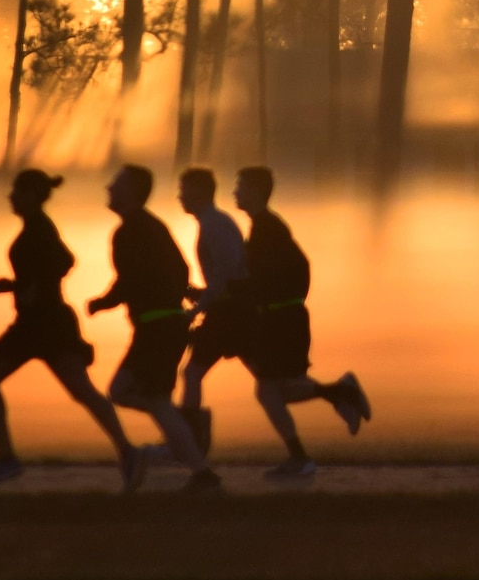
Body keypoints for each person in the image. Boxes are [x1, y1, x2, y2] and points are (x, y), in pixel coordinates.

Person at [0, 169, 140, 488]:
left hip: (43, 324)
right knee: (81, 392)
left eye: (17, 192)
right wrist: (17, 284)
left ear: (31, 197)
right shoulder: (38, 228)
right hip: (43, 323)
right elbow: (60, 263)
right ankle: (127, 451)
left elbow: (60, 263)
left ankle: (8, 460)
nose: (11, 197)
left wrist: (30, 286)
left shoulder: (38, 230)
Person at [87, 165, 221, 495]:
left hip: (158, 328)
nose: (108, 189)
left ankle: (202, 473)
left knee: (154, 400)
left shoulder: (130, 231)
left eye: (115, 185)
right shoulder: (153, 227)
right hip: (159, 327)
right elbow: (180, 267)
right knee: (121, 391)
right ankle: (188, 432)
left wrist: (104, 302)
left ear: (131, 192)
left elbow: (130, 278)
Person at [232, 167, 371, 478]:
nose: (235, 192)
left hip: (282, 319)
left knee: (267, 392)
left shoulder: (267, 228)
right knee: (278, 390)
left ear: (255, 191)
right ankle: (339, 393)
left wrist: (270, 302)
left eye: (240, 186)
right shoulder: (266, 227)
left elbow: (269, 275)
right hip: (283, 316)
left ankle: (301, 457)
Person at [177, 167, 252, 455]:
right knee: (272, 382)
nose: (180, 197)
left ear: (198, 193)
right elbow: (224, 277)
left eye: (184, 191)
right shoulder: (213, 222)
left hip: (229, 313)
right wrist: (199, 294)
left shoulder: (214, 225)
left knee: (192, 372)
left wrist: (196, 309)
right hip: (231, 309)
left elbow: (227, 275)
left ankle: (189, 443)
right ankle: (338, 393)